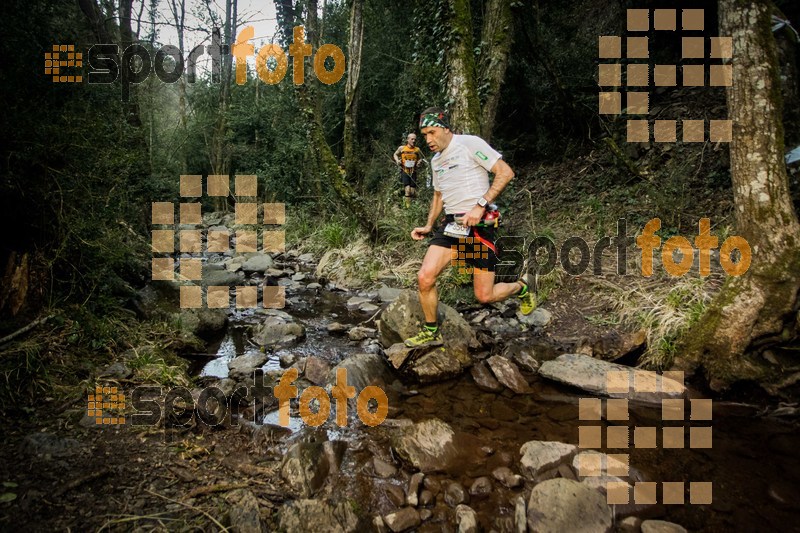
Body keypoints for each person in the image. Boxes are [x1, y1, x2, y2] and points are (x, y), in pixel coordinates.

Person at [405, 107, 535, 348]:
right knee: (425, 277)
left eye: (432, 133)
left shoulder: (469, 144)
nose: (428, 140)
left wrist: (480, 205)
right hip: (451, 227)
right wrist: (428, 225)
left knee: (484, 296)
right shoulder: (436, 161)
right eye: (424, 135)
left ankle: (523, 286)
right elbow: (438, 196)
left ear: (445, 129)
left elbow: (505, 173)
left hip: (478, 229)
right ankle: (431, 331)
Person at [393, 133, 426, 208]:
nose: (414, 141)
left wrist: (419, 162)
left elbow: (421, 158)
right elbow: (395, 154)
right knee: (407, 190)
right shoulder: (402, 148)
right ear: (408, 140)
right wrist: (397, 161)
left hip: (413, 172)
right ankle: (408, 208)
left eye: (415, 139)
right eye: (412, 139)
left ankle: (417, 201)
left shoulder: (417, 149)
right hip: (405, 171)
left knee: (412, 191)